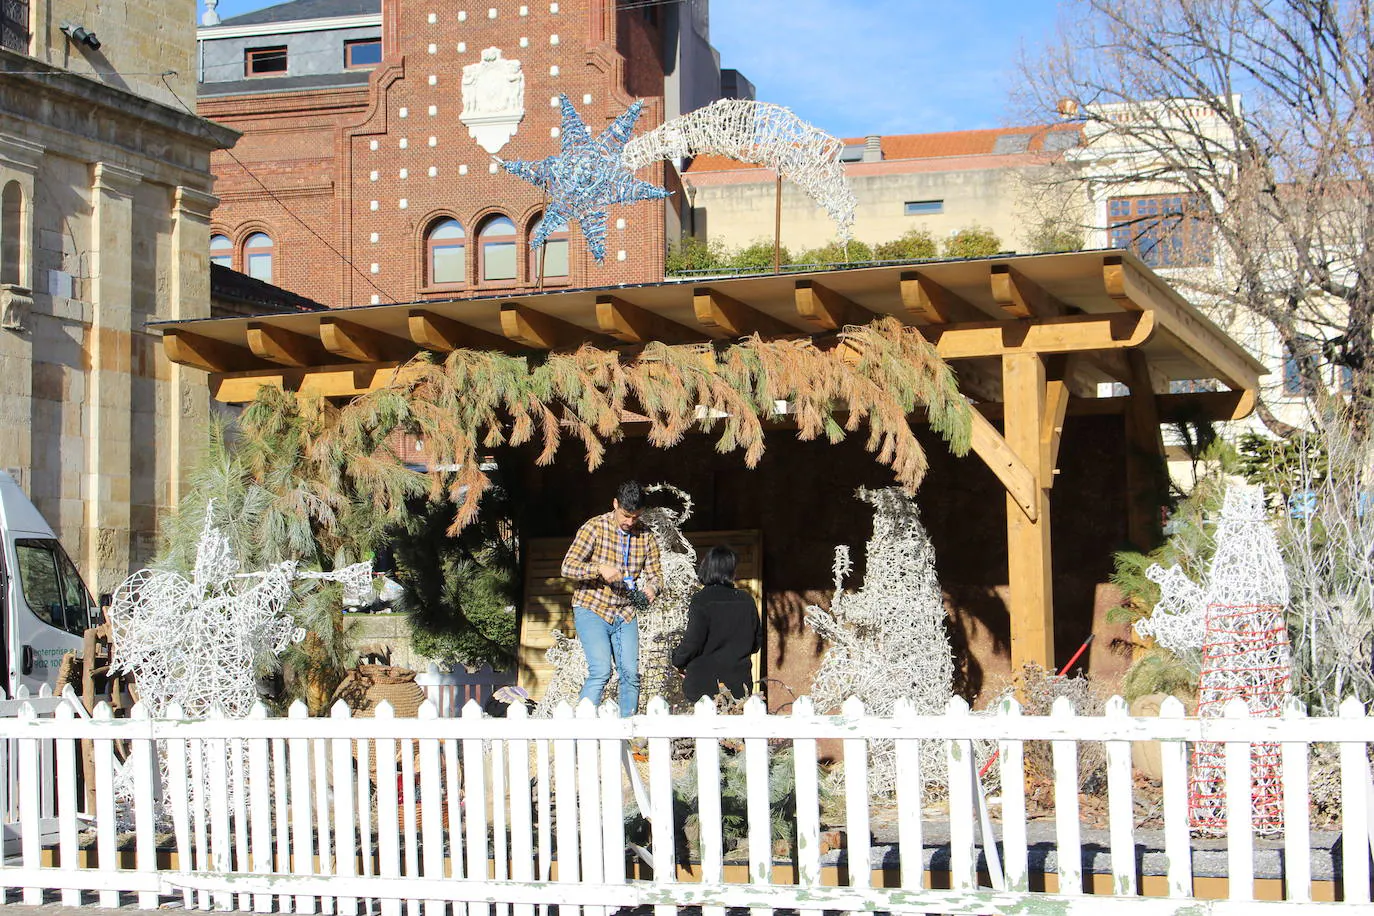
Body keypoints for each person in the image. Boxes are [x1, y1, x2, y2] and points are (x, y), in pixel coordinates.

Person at [561, 480, 662, 717]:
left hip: (625, 612)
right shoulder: (594, 528)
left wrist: (652, 589)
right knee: (601, 671)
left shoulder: (646, 536)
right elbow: (567, 567)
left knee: (630, 673)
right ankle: (580, 732)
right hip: (592, 607)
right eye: (626, 515)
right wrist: (599, 569)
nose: (629, 522)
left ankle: (627, 735)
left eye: (635, 517)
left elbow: (656, 575)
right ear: (615, 504)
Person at [672, 545, 761, 703]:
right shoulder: (746, 600)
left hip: (703, 687)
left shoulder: (701, 600)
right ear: (731, 571)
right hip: (739, 686)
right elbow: (755, 643)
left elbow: (693, 641)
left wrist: (678, 660)